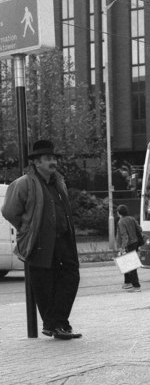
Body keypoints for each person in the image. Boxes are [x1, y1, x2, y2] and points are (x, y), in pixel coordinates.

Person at [1, 140, 82, 339]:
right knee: (44, 284)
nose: (52, 162)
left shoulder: (58, 181)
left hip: (63, 240)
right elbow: (9, 211)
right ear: (36, 163)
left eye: (53, 158)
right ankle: (57, 325)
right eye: (47, 159)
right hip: (38, 241)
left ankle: (55, 322)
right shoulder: (24, 183)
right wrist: (26, 227)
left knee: (71, 277)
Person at [116, 204, 142, 292]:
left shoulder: (121, 222)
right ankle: (127, 283)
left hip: (128, 244)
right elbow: (140, 229)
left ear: (119, 213)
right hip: (135, 243)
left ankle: (136, 285)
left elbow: (124, 236)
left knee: (131, 265)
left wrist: (122, 247)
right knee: (126, 264)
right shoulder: (132, 218)